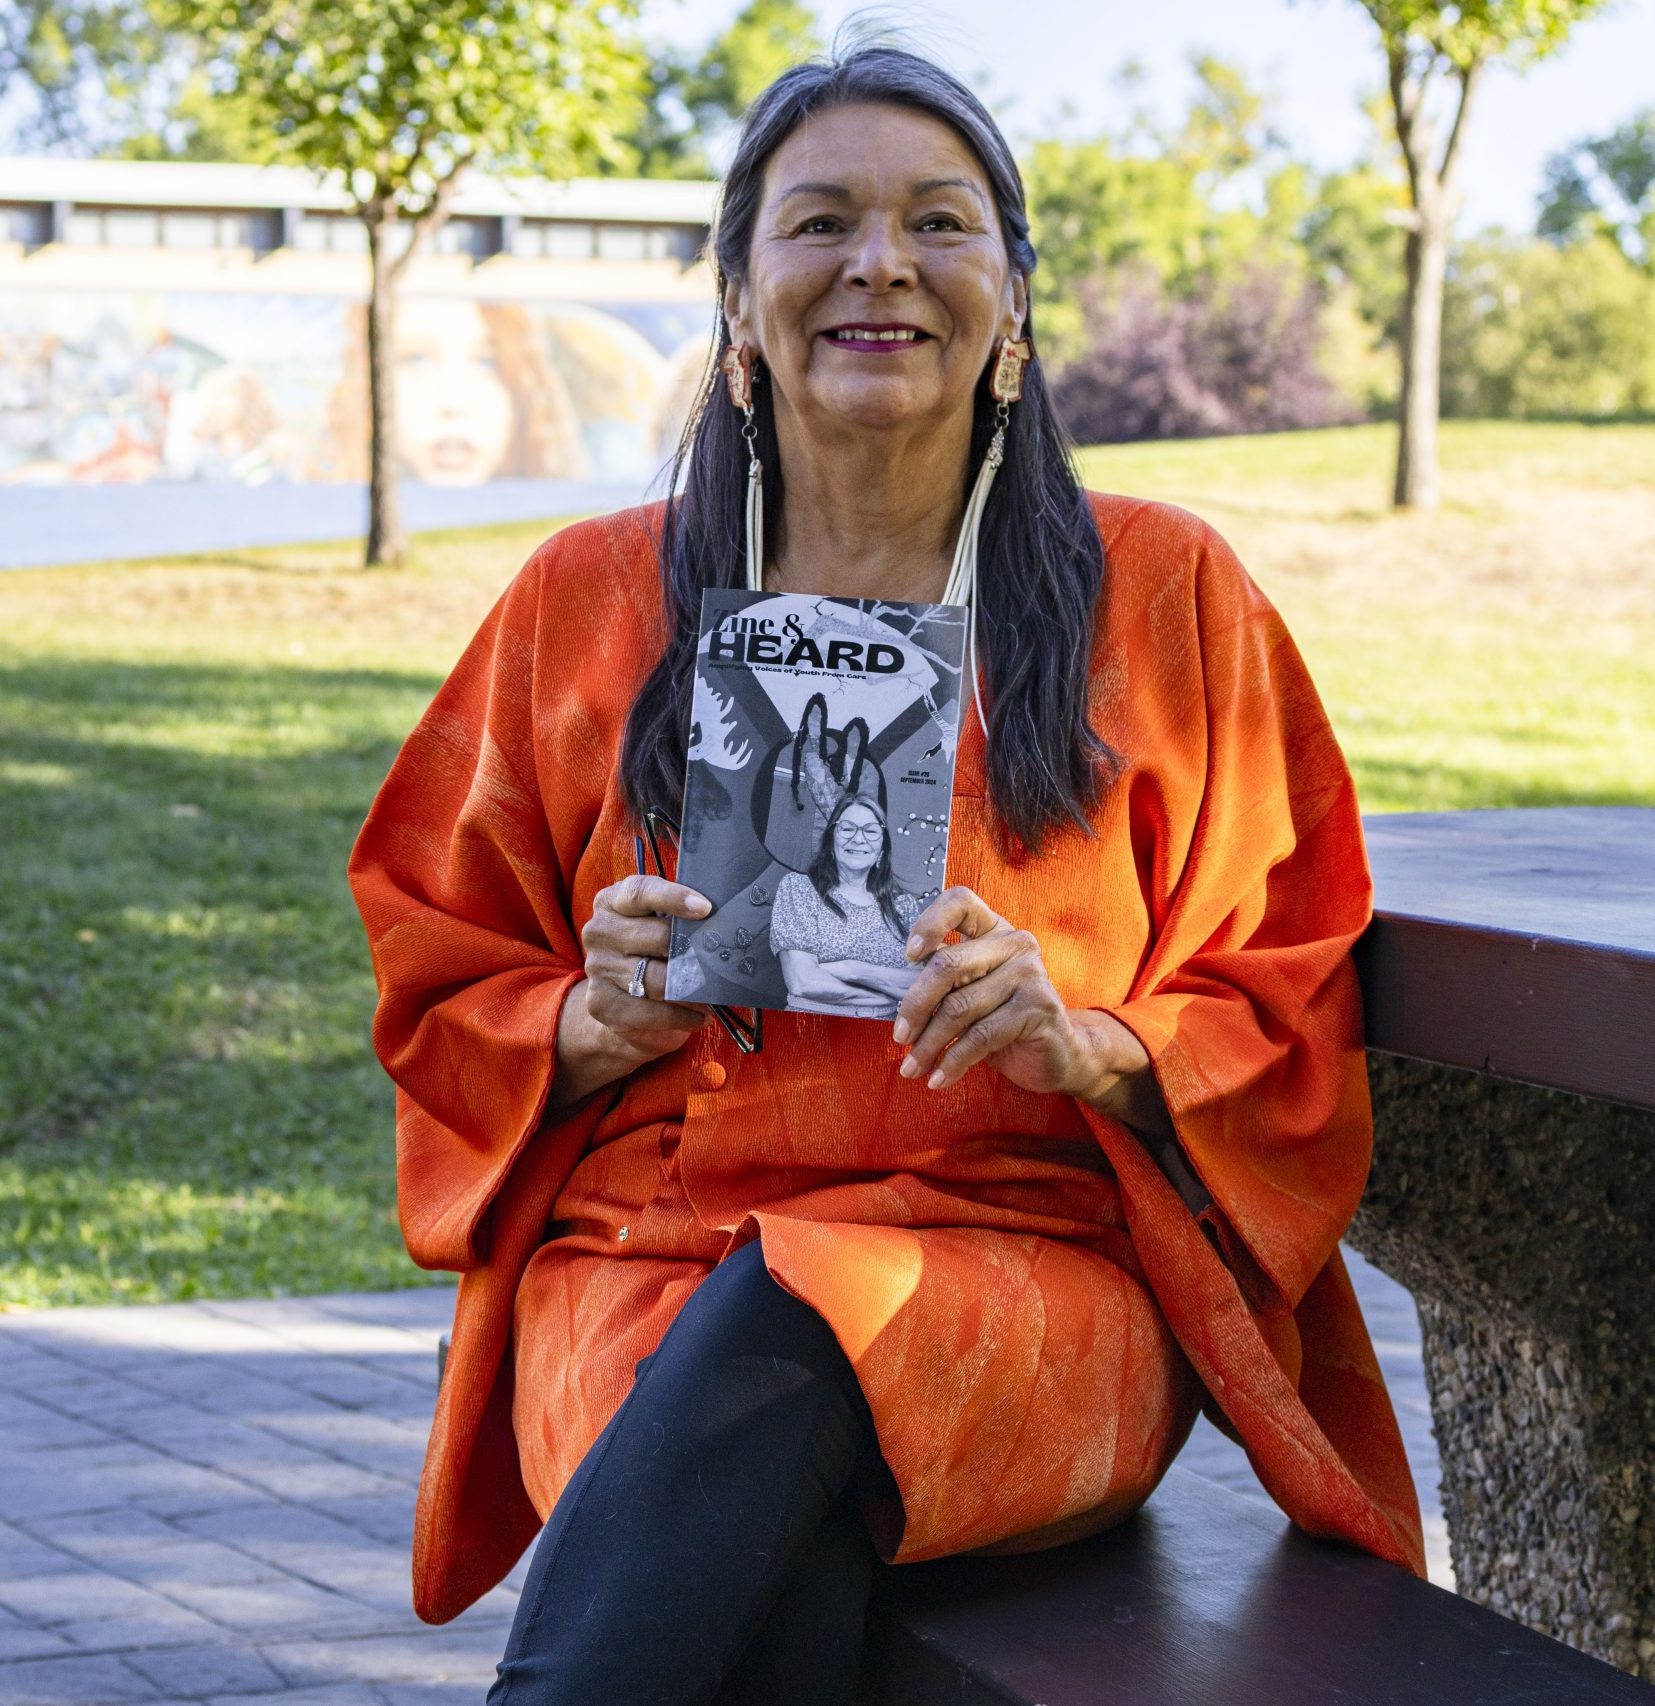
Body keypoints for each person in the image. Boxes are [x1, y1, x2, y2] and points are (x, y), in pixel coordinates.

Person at [345, 41, 1427, 1706]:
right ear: (736, 299)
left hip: (1029, 1283)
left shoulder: (1166, 594)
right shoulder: (583, 600)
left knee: (784, 1351)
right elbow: (430, 946)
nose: (880, 261)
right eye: (820, 221)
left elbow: (1287, 972)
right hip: (646, 1260)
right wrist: (584, 1013)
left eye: (939, 222)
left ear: (1010, 306)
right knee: (749, 1467)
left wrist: (1093, 1039)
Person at [770, 794, 924, 1017]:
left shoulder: (903, 907)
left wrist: (852, 970)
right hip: (810, 1028)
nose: (859, 839)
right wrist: (885, 995)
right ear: (832, 841)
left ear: (882, 848)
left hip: (884, 1035)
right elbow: (803, 981)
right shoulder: (800, 889)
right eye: (847, 828)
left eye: (870, 831)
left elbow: (921, 983)